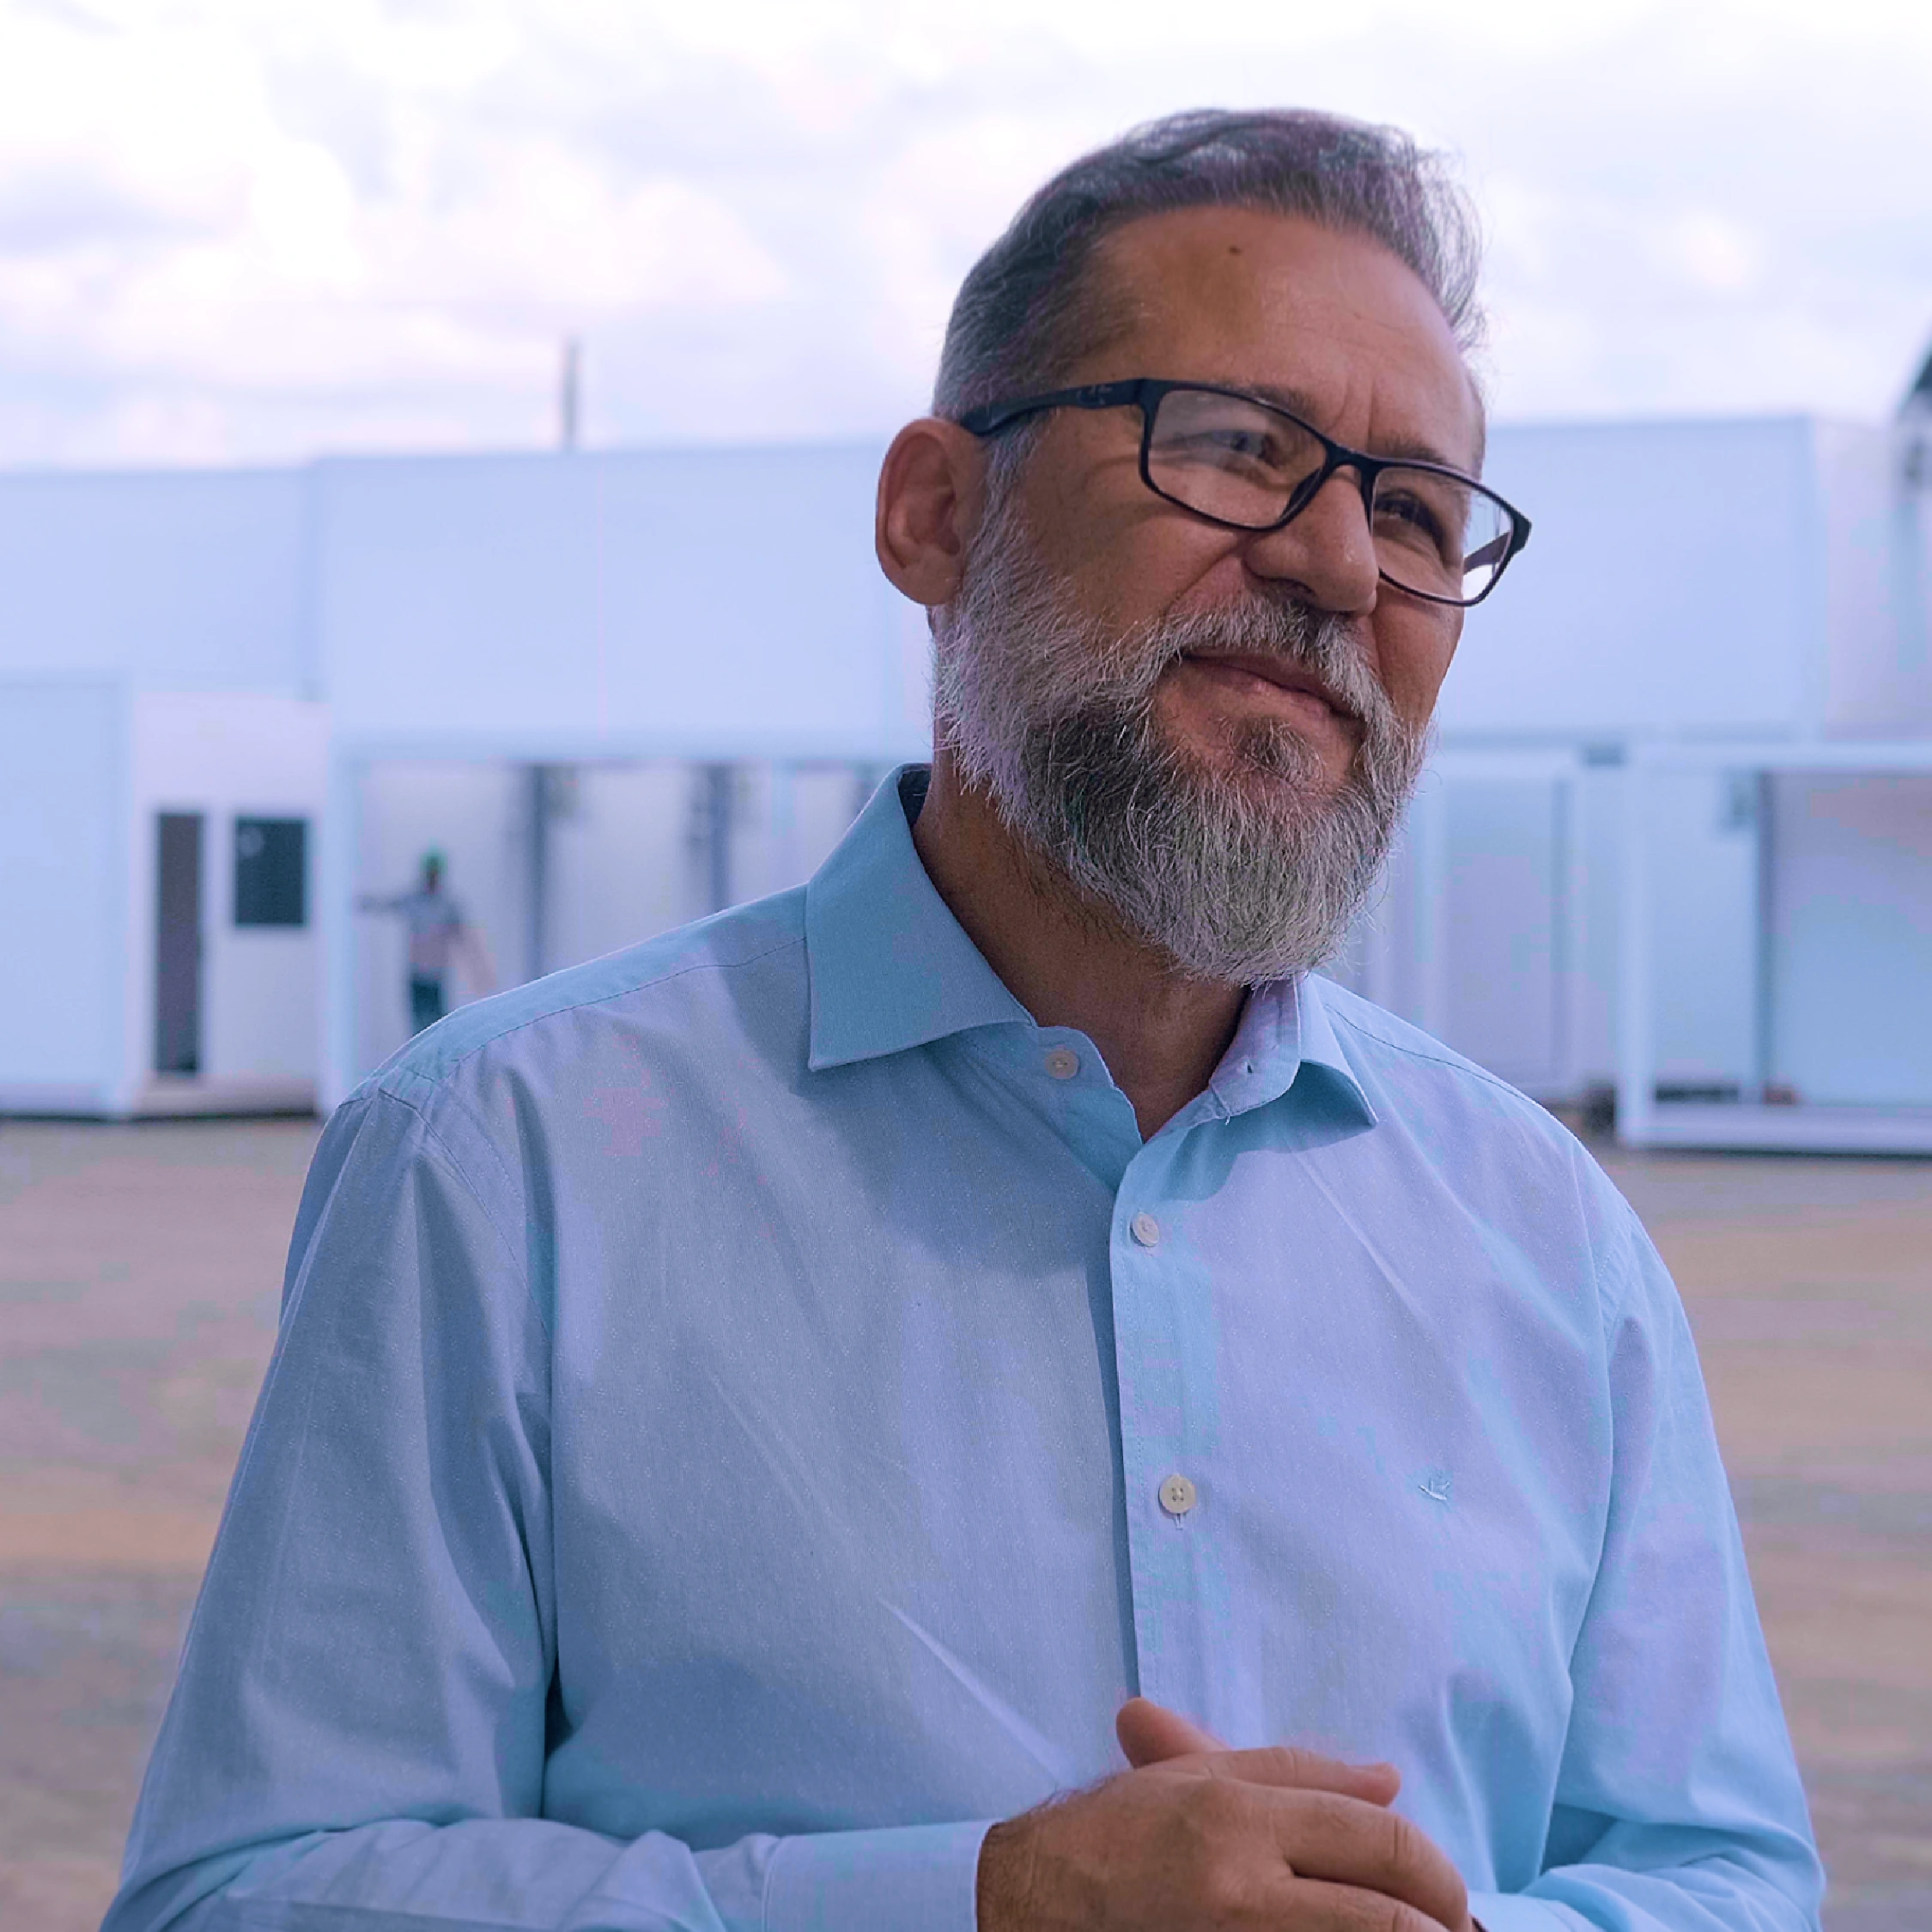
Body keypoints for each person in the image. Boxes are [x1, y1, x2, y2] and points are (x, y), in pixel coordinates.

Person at [105, 109, 1823, 1932]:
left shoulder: (1550, 1241)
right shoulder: (503, 1164)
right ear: (937, 514)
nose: (1337, 563)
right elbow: (249, 1897)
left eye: (1412, 510)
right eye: (1239, 448)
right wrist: (978, 1905)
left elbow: (1717, 1873)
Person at [357, 849, 492, 1034]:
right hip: (416, 974)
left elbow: (464, 939)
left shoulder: (449, 904)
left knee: (438, 1026)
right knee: (417, 1028)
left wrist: (478, 971)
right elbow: (387, 904)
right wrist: (364, 903)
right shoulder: (413, 899)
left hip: (436, 976)